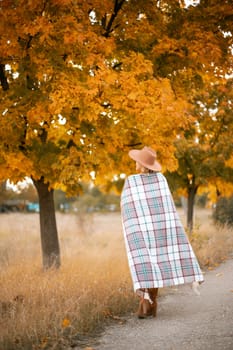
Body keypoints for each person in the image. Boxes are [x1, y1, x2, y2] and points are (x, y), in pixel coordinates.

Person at [121, 146, 204, 319]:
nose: (135, 163)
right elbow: (130, 206)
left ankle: (148, 303)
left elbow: (162, 207)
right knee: (149, 262)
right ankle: (149, 302)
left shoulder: (133, 181)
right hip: (153, 228)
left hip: (151, 228)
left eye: (137, 161)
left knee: (150, 261)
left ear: (141, 164)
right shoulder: (159, 179)